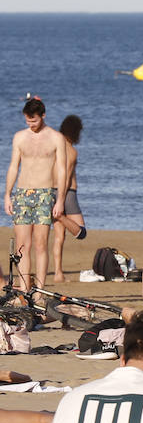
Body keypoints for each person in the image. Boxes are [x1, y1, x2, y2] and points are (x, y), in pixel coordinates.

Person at [5, 97, 68, 290]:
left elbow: (62, 170)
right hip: (22, 193)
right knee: (22, 246)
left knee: (41, 244)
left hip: (45, 194)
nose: (31, 124)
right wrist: (7, 194)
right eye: (28, 121)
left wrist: (60, 200)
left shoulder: (56, 138)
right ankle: (24, 289)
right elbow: (14, 167)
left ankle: (39, 291)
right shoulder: (20, 137)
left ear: (43, 116)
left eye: (34, 120)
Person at [50, 115, 86, 282]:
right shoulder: (70, 151)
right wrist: (61, 202)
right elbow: (65, 175)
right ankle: (60, 216)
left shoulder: (53, 145)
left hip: (51, 191)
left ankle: (58, 273)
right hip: (67, 192)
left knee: (59, 236)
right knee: (80, 232)